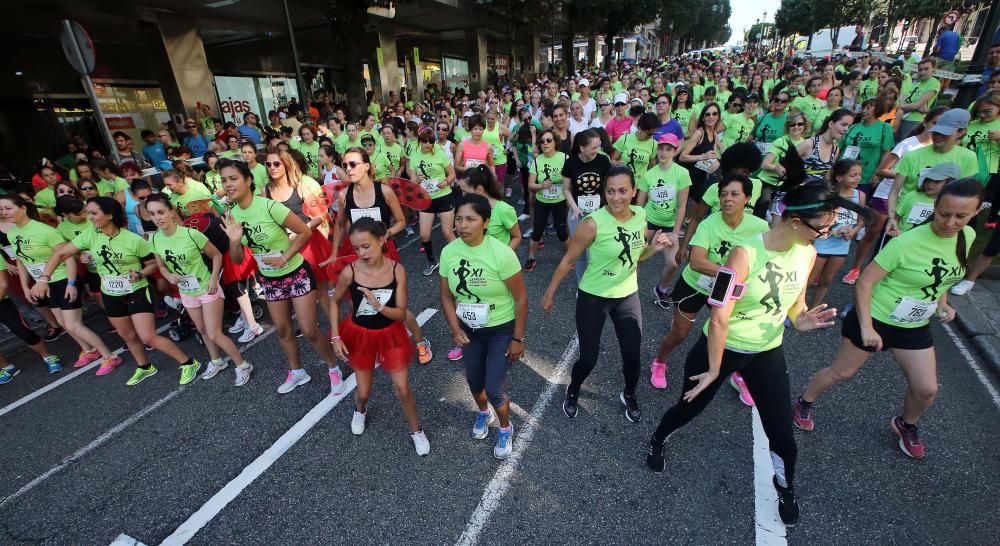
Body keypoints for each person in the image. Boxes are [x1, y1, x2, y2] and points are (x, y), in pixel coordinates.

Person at [646, 181, 869, 528]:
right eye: (821, 227)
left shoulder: (806, 253)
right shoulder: (743, 254)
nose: (824, 235)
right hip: (719, 350)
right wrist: (714, 370)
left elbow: (795, 303)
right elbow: (719, 316)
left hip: (766, 352)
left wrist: (801, 319)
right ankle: (659, 437)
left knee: (782, 433)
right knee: (687, 410)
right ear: (795, 221)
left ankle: (785, 486)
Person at [793, 178, 982, 460]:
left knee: (926, 389)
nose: (950, 222)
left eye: (961, 216)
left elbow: (942, 278)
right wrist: (867, 326)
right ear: (935, 206)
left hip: (913, 324)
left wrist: (943, 304)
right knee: (842, 372)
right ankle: (803, 403)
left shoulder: (967, 236)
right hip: (876, 317)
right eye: (944, 213)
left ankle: (906, 424)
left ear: (975, 213)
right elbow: (865, 283)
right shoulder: (906, 243)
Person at [541, 166, 671, 423]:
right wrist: (550, 293)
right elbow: (569, 260)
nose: (616, 197)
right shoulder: (592, 224)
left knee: (633, 355)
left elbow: (637, 257)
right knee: (588, 358)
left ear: (634, 191)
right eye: (610, 191)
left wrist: (653, 249)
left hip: (626, 295)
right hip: (594, 296)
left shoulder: (641, 216)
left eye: (623, 191)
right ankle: (574, 388)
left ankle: (629, 394)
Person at [35, 197, 198, 385]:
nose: (90, 217)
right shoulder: (90, 234)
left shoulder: (132, 240)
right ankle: (144, 367)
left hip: (136, 291)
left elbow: (153, 264)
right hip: (111, 293)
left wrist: (140, 273)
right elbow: (61, 253)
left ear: (110, 215)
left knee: (148, 336)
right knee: (127, 335)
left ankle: (187, 362)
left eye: (94, 213)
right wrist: (43, 279)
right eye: (88, 213)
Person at [219, 159, 344, 395]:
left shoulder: (269, 207)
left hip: (296, 273)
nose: (228, 184)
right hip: (270, 279)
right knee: (283, 330)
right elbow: (236, 259)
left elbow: (305, 231)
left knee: (309, 329)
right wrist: (235, 242)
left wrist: (286, 256)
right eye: (224, 180)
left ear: (248, 180)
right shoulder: (232, 215)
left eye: (233, 178)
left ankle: (333, 367)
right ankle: (297, 371)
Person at [648, 174, 769, 393]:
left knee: (733, 335)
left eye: (734, 194)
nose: (727, 199)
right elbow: (696, 262)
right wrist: (736, 273)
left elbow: (770, 258)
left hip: (729, 291)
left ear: (748, 198)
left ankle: (740, 375)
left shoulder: (760, 227)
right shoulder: (709, 224)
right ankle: (659, 362)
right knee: (679, 334)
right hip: (696, 286)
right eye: (723, 195)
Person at [329, 218, 430, 456]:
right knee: (364, 391)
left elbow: (401, 312)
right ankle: (360, 409)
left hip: (390, 333)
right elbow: (334, 302)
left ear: (382, 239)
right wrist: (335, 336)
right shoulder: (350, 271)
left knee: (402, 389)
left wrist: (379, 306)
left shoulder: (397, 271)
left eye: (367, 246)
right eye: (355, 248)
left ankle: (417, 430)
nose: (361, 253)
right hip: (360, 334)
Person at [439, 194, 527, 459]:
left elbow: (521, 298)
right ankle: (482, 413)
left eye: (471, 219)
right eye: (459, 219)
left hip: (501, 329)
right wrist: (455, 329)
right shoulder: (449, 252)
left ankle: (505, 427)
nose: (463, 225)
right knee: (474, 381)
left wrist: (517, 339)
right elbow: (446, 295)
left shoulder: (502, 254)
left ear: (486, 222)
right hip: (469, 330)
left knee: (493, 387)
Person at [326, 147, 433, 364]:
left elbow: (402, 220)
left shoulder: (384, 191)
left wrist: (386, 235)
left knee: (395, 305)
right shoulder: (343, 195)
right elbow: (340, 226)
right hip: (358, 256)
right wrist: (334, 253)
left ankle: (421, 342)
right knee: (362, 303)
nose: (348, 168)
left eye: (353, 164)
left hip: (386, 254)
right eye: (345, 165)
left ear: (366, 166)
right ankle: (374, 345)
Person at [144, 194, 253, 386]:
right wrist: (167, 275)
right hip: (187, 291)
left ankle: (243, 365)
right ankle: (216, 361)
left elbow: (216, 254)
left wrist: (213, 278)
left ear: (171, 212)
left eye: (161, 212)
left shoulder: (190, 234)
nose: (157, 217)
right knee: (202, 330)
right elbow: (160, 265)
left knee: (214, 333)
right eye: (152, 214)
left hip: (206, 288)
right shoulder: (154, 240)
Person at [1, 195, 119, 371]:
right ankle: (89, 350)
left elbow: (68, 258)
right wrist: (26, 287)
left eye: (8, 208)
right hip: (44, 283)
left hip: (63, 279)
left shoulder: (45, 231)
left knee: (73, 324)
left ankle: (109, 356)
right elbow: (21, 260)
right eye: (1, 209)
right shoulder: (12, 233)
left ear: (23, 208)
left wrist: (72, 283)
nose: (4, 212)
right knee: (62, 322)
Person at [843, 107, 949, 284]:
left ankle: (880, 272)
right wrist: (908, 175)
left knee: (897, 237)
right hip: (887, 194)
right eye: (934, 123)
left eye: (943, 125)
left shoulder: (940, 152)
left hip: (913, 200)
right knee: (874, 232)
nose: (937, 129)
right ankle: (856, 267)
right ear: (925, 122)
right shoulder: (908, 144)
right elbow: (882, 170)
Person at [886, 109, 978, 235]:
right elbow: (894, 191)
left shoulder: (968, 158)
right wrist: (892, 218)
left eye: (945, 133)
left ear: (961, 132)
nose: (938, 136)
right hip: (903, 223)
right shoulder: (913, 155)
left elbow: (966, 196)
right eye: (936, 132)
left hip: (941, 226)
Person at [637, 133, 690, 306]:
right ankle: (630, 290)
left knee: (673, 263)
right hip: (649, 220)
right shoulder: (648, 174)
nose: (663, 152)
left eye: (668, 149)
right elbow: (640, 203)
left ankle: (662, 288)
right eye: (660, 148)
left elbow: (682, 206)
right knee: (637, 257)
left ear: (674, 151)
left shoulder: (682, 173)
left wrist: (675, 233)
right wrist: (639, 225)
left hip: (669, 225)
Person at [807, 159, 865, 309]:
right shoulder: (828, 194)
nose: (858, 178)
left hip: (842, 246)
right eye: (853, 175)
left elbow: (860, 221)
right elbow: (816, 222)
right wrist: (835, 230)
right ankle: (793, 309)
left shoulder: (860, 196)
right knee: (809, 279)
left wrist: (853, 231)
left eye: (859, 174)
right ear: (839, 177)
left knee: (827, 280)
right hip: (821, 242)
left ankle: (814, 310)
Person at [0, 255, 63, 383]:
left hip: (2, 301)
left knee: (23, 331)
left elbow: (4, 284)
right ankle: (6, 367)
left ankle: (48, 357)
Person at [407, 128, 457, 276]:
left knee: (447, 233)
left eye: (431, 141)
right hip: (426, 199)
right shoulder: (414, 156)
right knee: (424, 235)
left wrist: (446, 181)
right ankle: (432, 261)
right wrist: (416, 179)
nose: (428, 144)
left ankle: (463, 257)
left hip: (443, 196)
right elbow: (412, 180)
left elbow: (452, 173)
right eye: (425, 141)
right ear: (420, 141)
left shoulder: (440, 154)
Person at [524, 129, 568, 272]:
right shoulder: (537, 161)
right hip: (542, 200)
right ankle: (531, 258)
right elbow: (530, 185)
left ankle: (569, 257)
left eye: (549, 140)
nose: (545, 143)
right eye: (542, 141)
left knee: (562, 232)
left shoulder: (564, 158)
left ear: (555, 142)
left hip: (559, 200)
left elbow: (571, 178)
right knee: (537, 232)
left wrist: (561, 179)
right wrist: (541, 185)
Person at [897, 59, 941, 139]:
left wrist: (901, 106)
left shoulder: (934, 83)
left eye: (926, 69)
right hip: (901, 117)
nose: (922, 72)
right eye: (920, 69)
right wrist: (914, 107)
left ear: (933, 70)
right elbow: (903, 101)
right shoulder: (915, 84)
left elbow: (916, 105)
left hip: (915, 121)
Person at [612, 113, 658, 180]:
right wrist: (615, 163)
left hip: (641, 185)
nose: (651, 136)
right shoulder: (624, 139)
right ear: (640, 128)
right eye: (649, 134)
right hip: (623, 181)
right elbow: (613, 160)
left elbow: (651, 168)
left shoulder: (654, 144)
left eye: (653, 133)